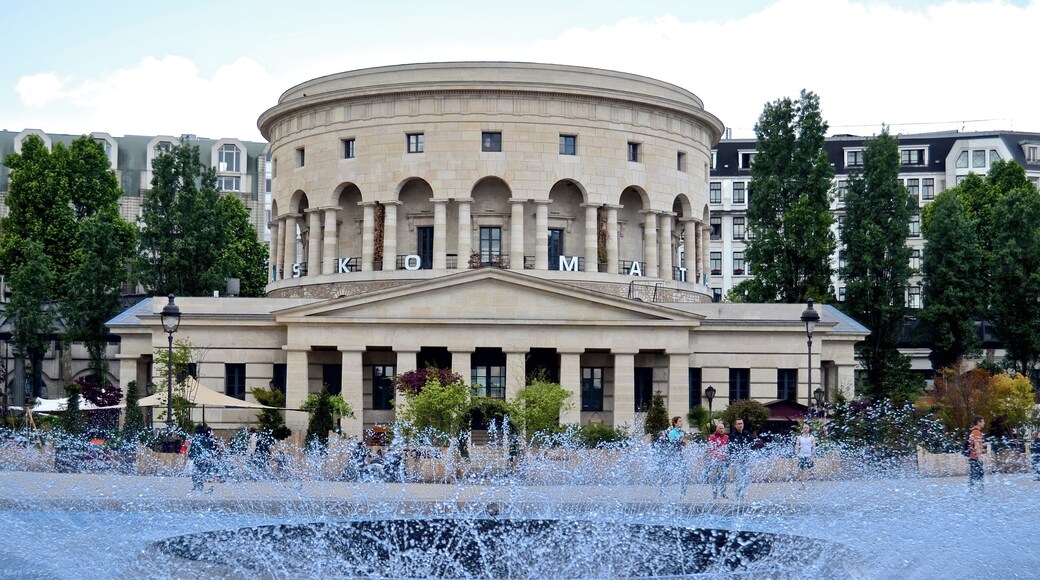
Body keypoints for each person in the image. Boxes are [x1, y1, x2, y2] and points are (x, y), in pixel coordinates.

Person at [729, 418, 754, 500]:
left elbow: (752, 446)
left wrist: (749, 456)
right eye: (738, 424)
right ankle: (738, 495)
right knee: (739, 478)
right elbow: (731, 448)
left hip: (746, 461)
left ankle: (741, 493)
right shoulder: (732, 436)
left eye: (741, 423)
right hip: (738, 461)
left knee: (746, 479)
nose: (740, 425)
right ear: (735, 425)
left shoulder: (747, 434)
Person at [188, 425, 217, 492]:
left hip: (197, 458)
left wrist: (191, 456)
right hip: (204, 458)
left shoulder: (195, 439)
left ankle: (196, 485)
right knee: (201, 471)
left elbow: (193, 449)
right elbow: (211, 446)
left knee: (195, 472)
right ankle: (200, 485)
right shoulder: (206, 439)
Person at [707, 421, 729, 499]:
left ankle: (723, 493)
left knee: (725, 477)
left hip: (723, 460)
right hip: (715, 460)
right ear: (717, 429)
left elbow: (727, 448)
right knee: (715, 478)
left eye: (722, 428)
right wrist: (713, 456)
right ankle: (715, 494)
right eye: (720, 428)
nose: (721, 430)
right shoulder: (713, 437)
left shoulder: (726, 437)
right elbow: (710, 447)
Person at [968, 415, 986, 491]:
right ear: (978, 422)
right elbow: (976, 445)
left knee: (973, 477)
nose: (984, 423)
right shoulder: (976, 432)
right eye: (982, 421)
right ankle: (979, 494)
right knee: (979, 477)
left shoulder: (973, 431)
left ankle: (972, 493)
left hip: (973, 459)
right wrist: (979, 458)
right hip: (975, 459)